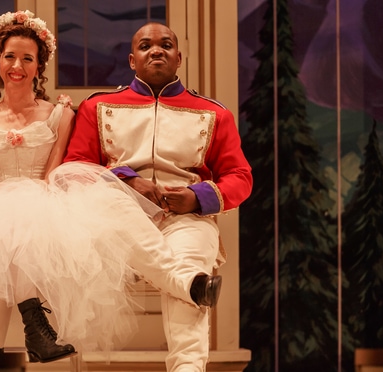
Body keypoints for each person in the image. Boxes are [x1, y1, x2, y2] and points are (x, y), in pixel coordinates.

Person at [0, 10, 166, 361]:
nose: (18, 65)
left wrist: (10, 192)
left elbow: (50, 179)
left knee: (17, 224)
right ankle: (28, 330)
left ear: (38, 66)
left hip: (46, 208)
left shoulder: (60, 113)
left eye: (28, 58)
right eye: (10, 56)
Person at [64, 22, 253, 371]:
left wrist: (197, 198)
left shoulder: (214, 113)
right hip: (119, 216)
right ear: (132, 60)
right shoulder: (98, 106)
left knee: (192, 257)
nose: (156, 50)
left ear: (179, 58)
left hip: (187, 219)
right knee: (186, 274)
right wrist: (126, 180)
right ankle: (191, 284)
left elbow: (240, 178)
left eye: (166, 45)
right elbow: (74, 166)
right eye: (146, 45)